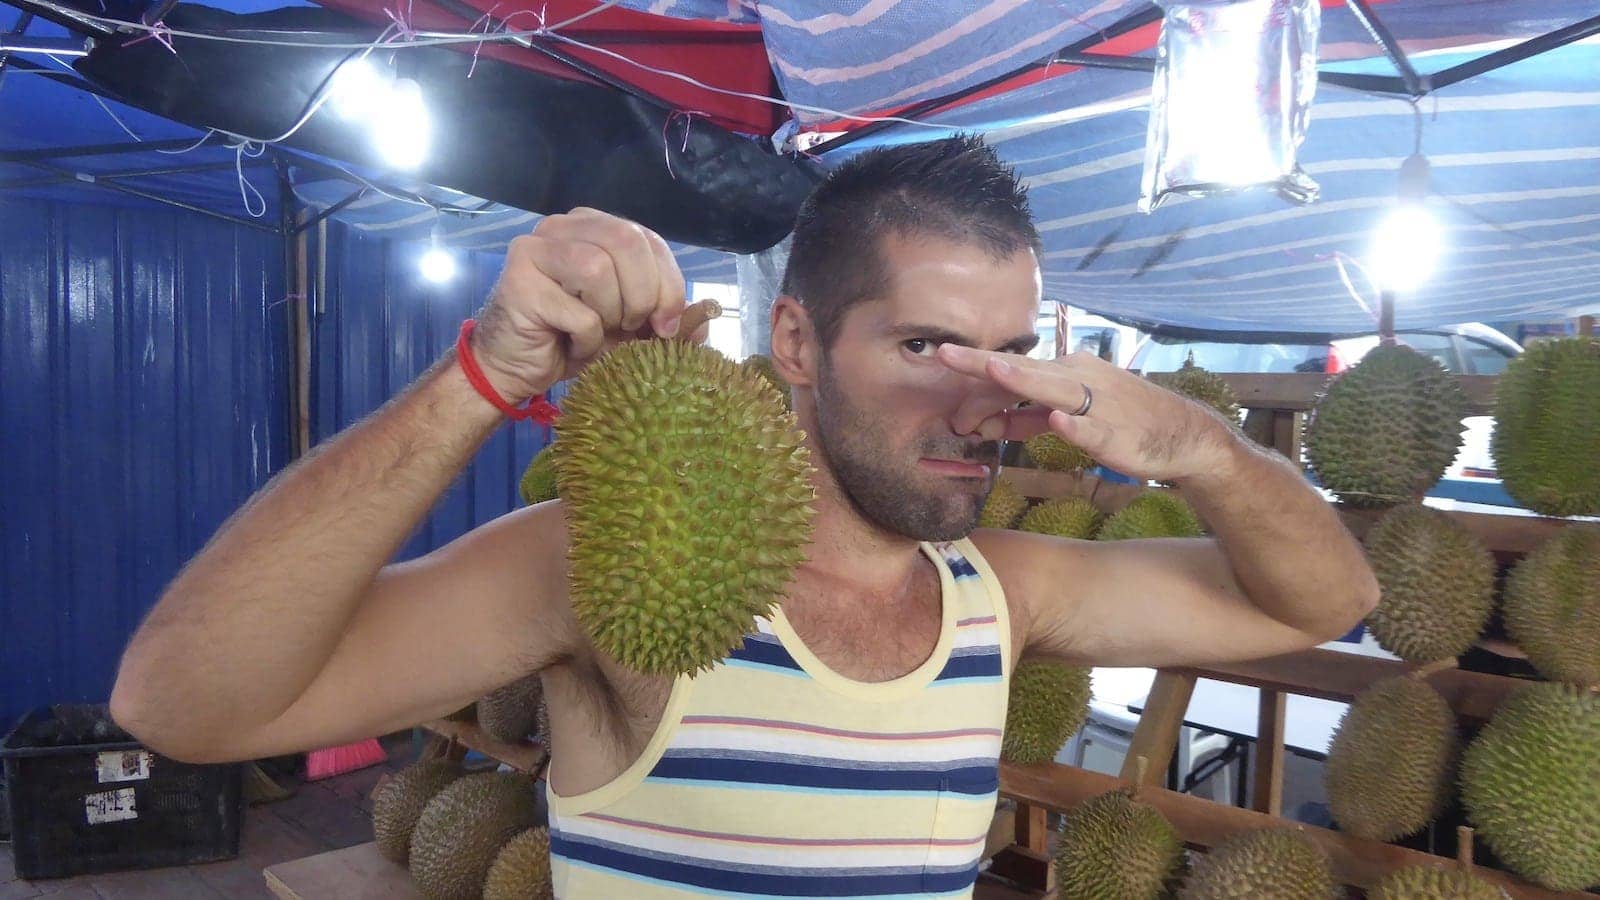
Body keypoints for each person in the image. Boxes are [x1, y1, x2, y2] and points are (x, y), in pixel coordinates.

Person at [110, 135, 1377, 897]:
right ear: (797, 343)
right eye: (925, 341)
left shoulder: (1002, 593)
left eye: (1008, 349)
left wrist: (1199, 449)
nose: (981, 397)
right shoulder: (608, 568)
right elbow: (184, 706)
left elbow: (1327, 601)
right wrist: (479, 382)